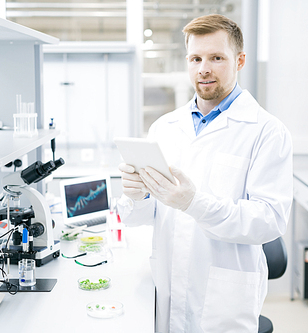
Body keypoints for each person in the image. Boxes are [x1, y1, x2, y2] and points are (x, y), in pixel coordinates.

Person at [117, 14, 292, 333]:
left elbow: (270, 220)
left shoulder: (267, 132)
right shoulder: (165, 127)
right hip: (169, 285)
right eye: (195, 58)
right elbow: (146, 216)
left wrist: (194, 203)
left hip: (224, 297)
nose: (204, 68)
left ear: (239, 60)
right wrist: (136, 196)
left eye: (216, 58)